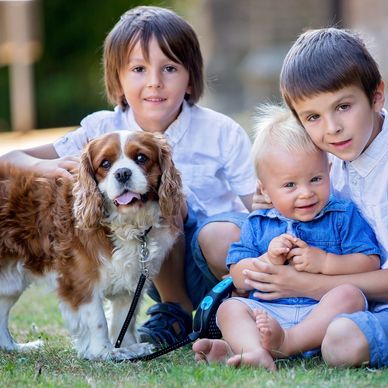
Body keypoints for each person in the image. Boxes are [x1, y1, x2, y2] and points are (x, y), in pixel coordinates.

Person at [0, 6, 256, 346]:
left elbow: (258, 207)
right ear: (117, 79)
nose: (154, 82)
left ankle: (236, 307)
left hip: (216, 261)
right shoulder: (101, 129)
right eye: (138, 69)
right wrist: (46, 167)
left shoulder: (221, 131)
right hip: (149, 267)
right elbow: (10, 160)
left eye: (169, 68)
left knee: (180, 208)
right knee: (151, 213)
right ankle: (173, 314)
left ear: (191, 76)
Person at [193, 104, 380, 370]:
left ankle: (284, 343)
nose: (305, 193)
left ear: (329, 170)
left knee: (349, 295)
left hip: (321, 312)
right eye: (290, 185)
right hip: (270, 313)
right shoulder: (258, 223)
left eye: (315, 179)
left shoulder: (343, 214)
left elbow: (369, 262)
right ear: (265, 190)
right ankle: (254, 350)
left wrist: (325, 263)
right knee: (230, 308)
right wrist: (267, 259)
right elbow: (237, 275)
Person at [242, 28, 388, 368]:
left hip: (358, 299)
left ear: (377, 95)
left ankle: (291, 337)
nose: (332, 128)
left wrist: (307, 284)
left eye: (344, 106)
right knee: (227, 236)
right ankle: (257, 338)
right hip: (340, 294)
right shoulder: (324, 155)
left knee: (343, 342)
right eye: (313, 117)